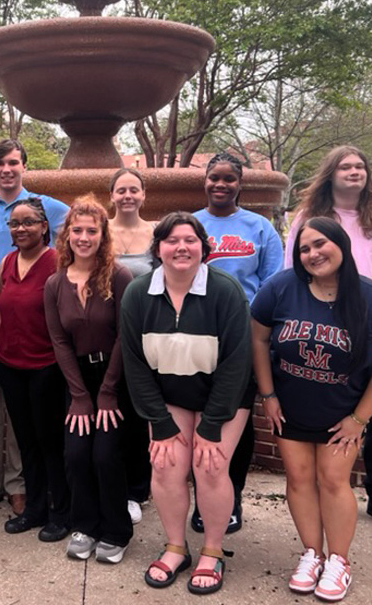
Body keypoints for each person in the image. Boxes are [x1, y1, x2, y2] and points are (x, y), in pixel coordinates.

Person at [251, 217, 372, 601]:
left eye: (320, 244)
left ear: (341, 244)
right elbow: (257, 338)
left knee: (334, 481)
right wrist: (268, 396)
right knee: (299, 479)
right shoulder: (282, 288)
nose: (312, 254)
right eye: (304, 249)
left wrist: (358, 420)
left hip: (343, 414)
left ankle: (338, 560)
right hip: (290, 408)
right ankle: (311, 553)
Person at [121, 212, 252, 595]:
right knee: (164, 466)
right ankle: (176, 546)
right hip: (171, 394)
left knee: (210, 466)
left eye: (190, 240)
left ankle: (212, 551)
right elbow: (135, 363)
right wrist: (159, 422)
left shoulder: (226, 291)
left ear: (203, 248)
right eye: (172, 240)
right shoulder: (138, 293)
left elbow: (237, 364)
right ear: (158, 249)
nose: (181, 247)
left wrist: (211, 427)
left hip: (223, 396)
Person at [284, 146, 372, 531]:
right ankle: (328, 489)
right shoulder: (309, 219)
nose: (354, 172)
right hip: (323, 330)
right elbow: (292, 270)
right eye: (345, 166)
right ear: (330, 174)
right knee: (327, 413)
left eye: (360, 165)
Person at [0, 139, 68, 516]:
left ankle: (19, 484)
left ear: (24, 166)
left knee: (21, 412)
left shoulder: (48, 207)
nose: (6, 169)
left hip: (34, 326)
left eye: (13, 162)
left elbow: (83, 233)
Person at [192, 152, 283, 534]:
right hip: (194, 338)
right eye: (215, 177)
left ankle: (232, 497)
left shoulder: (260, 228)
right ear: (205, 181)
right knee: (199, 416)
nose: (221, 184)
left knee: (238, 423)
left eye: (229, 178)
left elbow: (273, 286)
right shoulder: (192, 224)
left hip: (243, 341)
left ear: (240, 184)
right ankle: (203, 499)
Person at [44, 200, 135, 563]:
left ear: (102, 235)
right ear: (67, 235)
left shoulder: (119, 277)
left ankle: (115, 530)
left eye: (91, 231)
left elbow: (125, 338)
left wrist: (108, 392)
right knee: (76, 453)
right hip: (77, 380)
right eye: (77, 230)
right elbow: (59, 341)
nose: (83, 237)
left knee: (105, 454)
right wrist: (80, 396)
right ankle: (84, 525)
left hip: (114, 376)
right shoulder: (54, 284)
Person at [0, 198, 70, 541]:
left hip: (46, 366)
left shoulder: (57, 263)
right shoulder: (7, 262)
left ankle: (61, 513)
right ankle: (34, 509)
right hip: (10, 365)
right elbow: (0, 311)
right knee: (26, 442)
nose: (20, 229)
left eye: (27, 222)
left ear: (43, 227)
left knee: (51, 441)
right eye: (14, 224)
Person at [107, 168, 154, 523]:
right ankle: (112, 483)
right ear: (111, 195)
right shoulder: (100, 232)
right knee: (111, 411)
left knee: (139, 413)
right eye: (121, 189)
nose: (127, 195)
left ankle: (138, 489)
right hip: (105, 334)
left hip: (145, 335)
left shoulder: (156, 233)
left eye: (133, 189)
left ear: (142, 195)